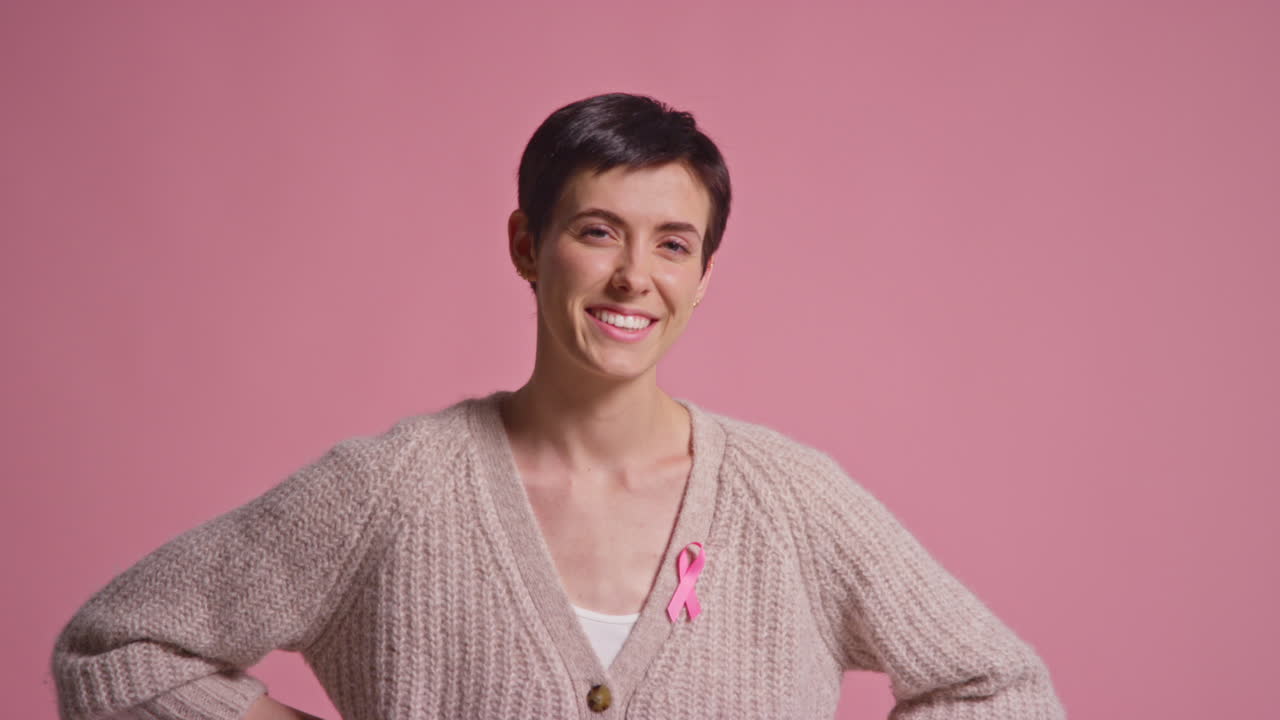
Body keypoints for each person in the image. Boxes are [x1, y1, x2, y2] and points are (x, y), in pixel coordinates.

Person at [51, 92, 1067, 720]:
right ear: (526, 247)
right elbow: (115, 652)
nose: (634, 276)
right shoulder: (391, 489)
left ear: (703, 275)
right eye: (596, 231)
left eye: (672, 243)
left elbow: (1002, 692)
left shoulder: (791, 501)